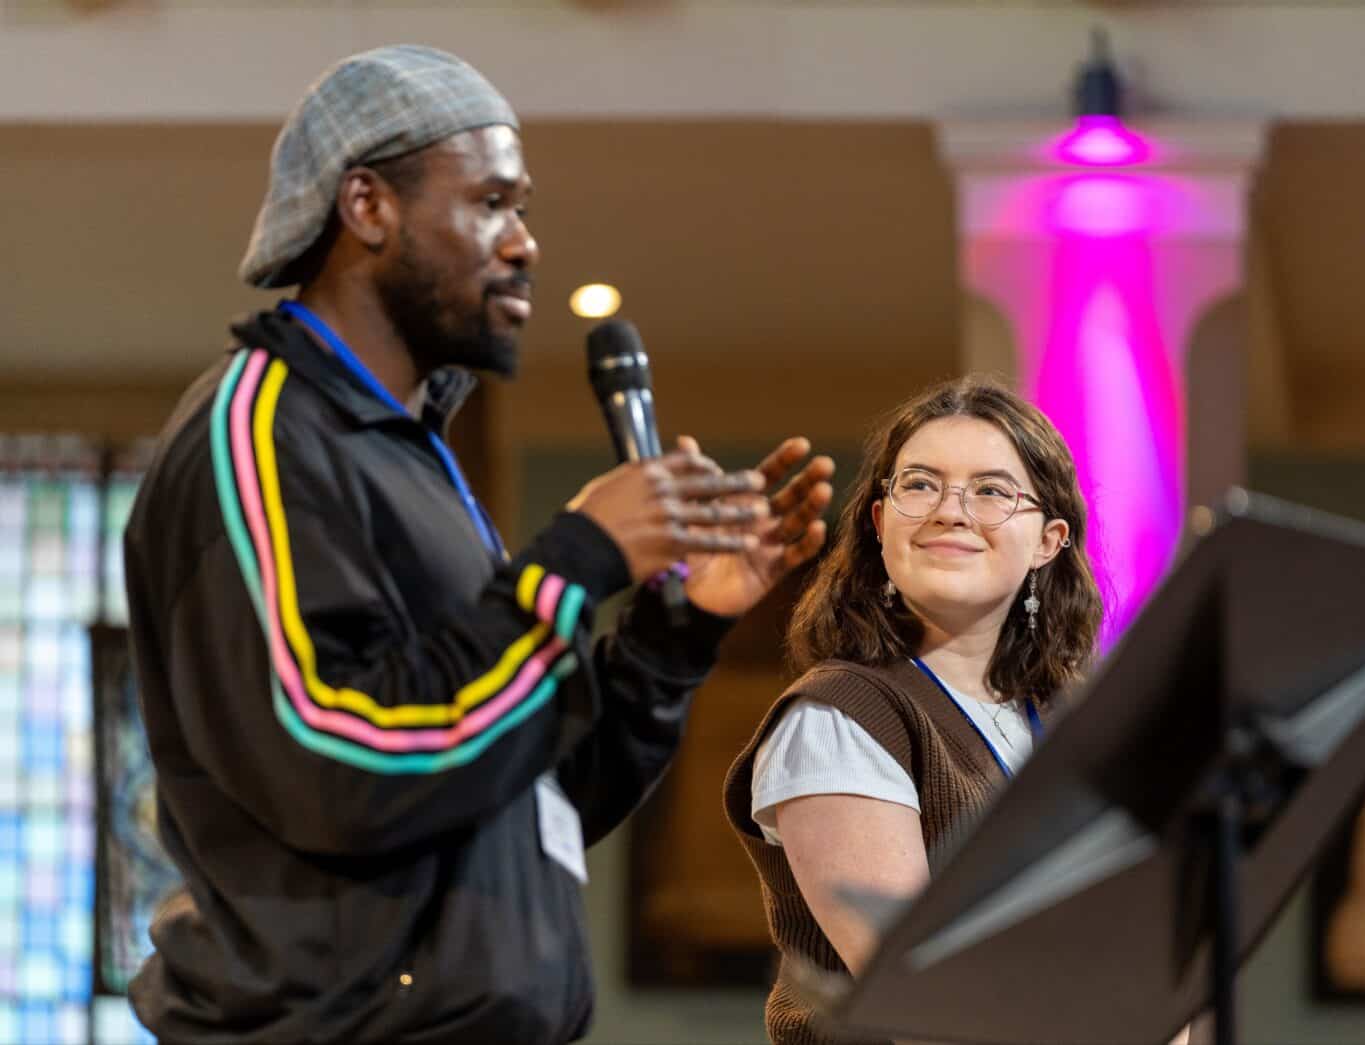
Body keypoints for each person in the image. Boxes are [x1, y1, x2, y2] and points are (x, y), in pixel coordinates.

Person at [122, 45, 834, 1045]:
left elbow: (517, 788)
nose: (524, 244)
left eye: (525, 209)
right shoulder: (260, 426)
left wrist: (674, 631)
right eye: (492, 202)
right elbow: (336, 754)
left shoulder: (414, 457)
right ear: (366, 206)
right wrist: (577, 557)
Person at [723, 376, 1103, 1045]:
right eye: (921, 484)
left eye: (991, 490)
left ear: (1049, 540)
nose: (951, 511)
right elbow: (929, 1003)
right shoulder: (840, 715)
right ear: (880, 522)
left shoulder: (1075, 721)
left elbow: (1145, 957)